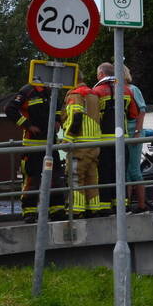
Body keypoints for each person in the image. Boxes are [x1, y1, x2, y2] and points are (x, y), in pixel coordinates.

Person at [5, 81, 63, 222]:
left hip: (51, 144)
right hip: (33, 145)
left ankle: (56, 210)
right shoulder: (27, 91)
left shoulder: (52, 91)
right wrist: (28, 125)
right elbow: (9, 109)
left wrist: (57, 120)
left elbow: (57, 108)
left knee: (56, 178)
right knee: (32, 179)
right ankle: (29, 212)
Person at [92, 62, 140, 212]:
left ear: (101, 74)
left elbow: (91, 116)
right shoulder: (126, 90)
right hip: (121, 141)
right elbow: (134, 114)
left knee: (104, 175)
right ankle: (122, 205)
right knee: (121, 174)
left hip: (103, 141)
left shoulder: (96, 91)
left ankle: (105, 207)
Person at [62, 78, 104, 217]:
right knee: (92, 178)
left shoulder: (76, 95)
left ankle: (77, 210)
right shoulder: (93, 94)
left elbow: (76, 117)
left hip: (79, 145)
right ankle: (94, 208)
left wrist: (67, 139)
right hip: (94, 144)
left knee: (75, 178)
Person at [123, 65, 148, 213]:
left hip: (133, 132)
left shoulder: (133, 89)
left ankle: (141, 205)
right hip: (125, 134)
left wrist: (138, 131)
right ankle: (127, 205)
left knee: (133, 170)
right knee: (125, 171)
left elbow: (142, 111)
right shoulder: (118, 90)